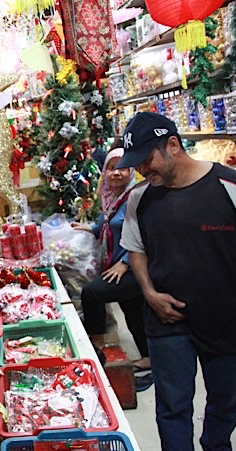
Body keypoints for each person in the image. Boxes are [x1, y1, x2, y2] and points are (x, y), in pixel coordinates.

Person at [117, 112, 236, 451]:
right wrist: (150, 293)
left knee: (225, 395)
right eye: (136, 162)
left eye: (147, 159)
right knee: (172, 405)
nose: (141, 169)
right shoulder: (142, 197)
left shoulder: (233, 187)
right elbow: (136, 250)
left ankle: (217, 447)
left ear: (172, 145)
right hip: (167, 319)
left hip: (229, 313)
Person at [71, 142, 152, 392]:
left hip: (135, 268)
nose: (116, 173)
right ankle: (150, 357)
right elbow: (107, 225)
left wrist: (125, 264)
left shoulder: (134, 197)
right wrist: (88, 229)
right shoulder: (111, 198)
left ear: (131, 171)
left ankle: (96, 348)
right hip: (119, 264)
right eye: (111, 169)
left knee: (92, 293)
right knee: (133, 311)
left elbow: (144, 236)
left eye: (122, 168)